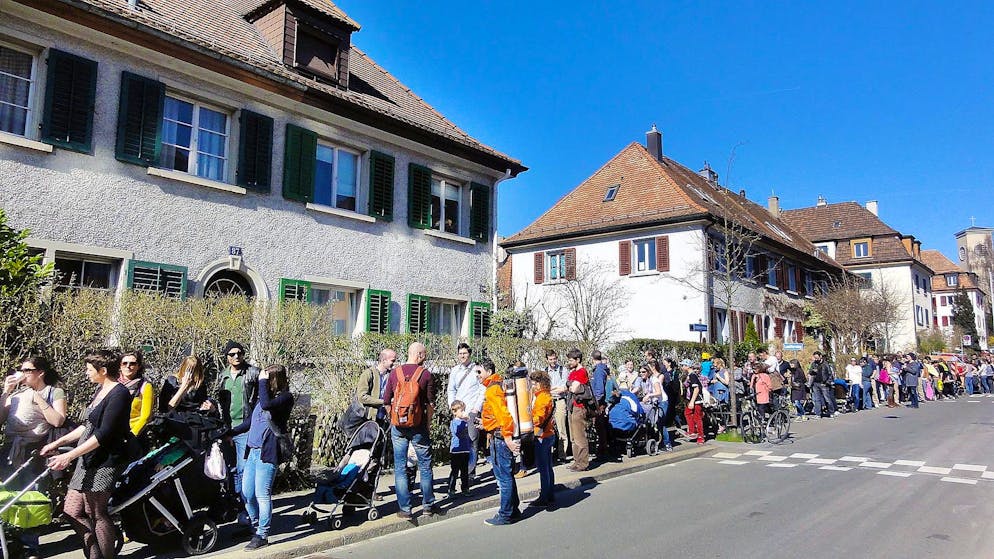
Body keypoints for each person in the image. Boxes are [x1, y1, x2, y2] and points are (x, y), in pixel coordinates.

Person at [43, 349, 132, 559]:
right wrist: (58, 442)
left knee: (97, 512)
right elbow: (88, 426)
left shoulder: (119, 394)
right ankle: (94, 554)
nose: (86, 373)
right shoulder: (100, 390)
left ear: (102, 370)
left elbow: (103, 434)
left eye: (89, 369)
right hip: (87, 458)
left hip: (105, 461)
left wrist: (69, 456)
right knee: (71, 511)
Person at [0, 356, 67, 559]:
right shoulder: (16, 394)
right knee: (7, 497)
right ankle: (9, 541)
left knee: (32, 496)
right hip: (10, 450)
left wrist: (36, 397)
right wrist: (5, 392)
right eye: (21, 369)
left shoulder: (54, 392)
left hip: (35, 451)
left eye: (28, 370)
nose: (23, 373)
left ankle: (30, 546)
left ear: (40, 372)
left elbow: (58, 420)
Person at [230, 364, 294, 550]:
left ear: (273, 379)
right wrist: (230, 432)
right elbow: (251, 421)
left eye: (266, 378)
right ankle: (255, 524)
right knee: (247, 493)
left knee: (262, 494)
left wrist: (262, 381)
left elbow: (266, 405)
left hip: (268, 453)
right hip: (253, 452)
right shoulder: (264, 398)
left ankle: (262, 534)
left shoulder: (285, 398)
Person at [383, 342, 437, 520]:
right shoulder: (425, 375)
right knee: (425, 466)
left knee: (399, 467)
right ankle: (428, 505)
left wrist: (394, 418)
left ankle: (405, 509)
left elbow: (386, 401)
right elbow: (430, 405)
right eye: (425, 354)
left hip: (398, 427)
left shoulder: (394, 373)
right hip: (419, 426)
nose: (425, 357)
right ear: (419, 355)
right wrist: (427, 424)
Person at [218, 340, 260, 508]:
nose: (236, 356)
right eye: (232, 354)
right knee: (231, 469)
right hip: (227, 429)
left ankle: (246, 508)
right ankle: (238, 503)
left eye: (240, 353)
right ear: (227, 357)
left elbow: (260, 400)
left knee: (244, 468)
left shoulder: (253, 373)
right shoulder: (222, 375)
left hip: (245, 428)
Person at [480, 362, 521, 525]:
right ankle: (514, 510)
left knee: (503, 477)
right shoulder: (497, 386)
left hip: (501, 437)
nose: (477, 375)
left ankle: (505, 514)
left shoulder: (493, 390)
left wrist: (509, 439)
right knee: (507, 475)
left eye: (479, 371)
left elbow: (504, 416)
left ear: (489, 371)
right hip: (499, 435)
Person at [447, 343, 484, 479]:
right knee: (458, 439)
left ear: (470, 354)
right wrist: (453, 406)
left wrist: (476, 408)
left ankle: (470, 472)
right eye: (460, 353)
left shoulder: (476, 370)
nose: (462, 356)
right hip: (458, 411)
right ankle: (461, 469)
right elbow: (451, 389)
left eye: (465, 353)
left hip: (471, 410)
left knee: (472, 440)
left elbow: (482, 389)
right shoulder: (455, 370)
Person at [529, 369, 556, 507]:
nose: (533, 386)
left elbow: (538, 418)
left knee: (543, 467)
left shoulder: (542, 398)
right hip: (548, 434)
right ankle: (550, 493)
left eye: (534, 383)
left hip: (542, 436)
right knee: (548, 466)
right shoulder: (546, 395)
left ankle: (544, 496)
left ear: (540, 383)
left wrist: (528, 422)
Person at [565, 348, 591, 472]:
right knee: (573, 437)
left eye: (571, 360)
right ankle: (577, 461)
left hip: (579, 407)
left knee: (580, 436)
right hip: (572, 406)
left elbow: (574, 389)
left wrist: (569, 385)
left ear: (577, 360)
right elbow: (569, 386)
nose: (569, 362)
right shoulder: (573, 372)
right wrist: (569, 385)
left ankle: (583, 463)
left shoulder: (582, 372)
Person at [356, 348, 397, 423]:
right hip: (368, 419)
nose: (394, 364)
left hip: (385, 419)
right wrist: (383, 402)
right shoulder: (368, 374)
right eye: (392, 361)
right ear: (384, 360)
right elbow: (362, 397)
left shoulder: (392, 375)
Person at [120, 350, 153, 435]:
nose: (128, 366)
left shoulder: (145, 386)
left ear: (138, 366)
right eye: (124, 363)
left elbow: (146, 416)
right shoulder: (113, 383)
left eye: (132, 363)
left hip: (132, 432)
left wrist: (132, 434)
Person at [545, 349, 570, 463]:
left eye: (554, 359)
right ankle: (549, 454)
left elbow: (564, 387)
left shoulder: (563, 370)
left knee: (561, 428)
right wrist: (554, 389)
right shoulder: (545, 372)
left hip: (560, 400)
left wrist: (555, 389)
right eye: (550, 359)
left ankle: (562, 454)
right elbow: (545, 388)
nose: (553, 361)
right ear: (547, 360)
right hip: (549, 401)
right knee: (548, 428)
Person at [640, 361, 672, 451]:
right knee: (655, 422)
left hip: (663, 402)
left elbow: (658, 392)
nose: (641, 374)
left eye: (644, 372)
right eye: (640, 372)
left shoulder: (654, 379)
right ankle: (659, 443)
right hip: (656, 402)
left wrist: (649, 395)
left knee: (660, 422)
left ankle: (667, 444)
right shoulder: (648, 380)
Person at [447, 400, 472, 499]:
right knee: (455, 471)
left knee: (464, 471)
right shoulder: (454, 422)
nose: (463, 413)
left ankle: (465, 488)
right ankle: (451, 489)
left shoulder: (464, 422)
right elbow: (457, 433)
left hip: (465, 449)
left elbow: (467, 435)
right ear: (455, 412)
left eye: (463, 410)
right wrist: (465, 422)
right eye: (461, 411)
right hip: (456, 451)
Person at [589, 350, 610, 457]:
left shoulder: (598, 371)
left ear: (592, 359)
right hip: (600, 402)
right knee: (600, 426)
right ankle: (602, 449)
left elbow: (599, 390)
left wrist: (594, 403)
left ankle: (602, 452)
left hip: (599, 403)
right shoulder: (601, 369)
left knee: (599, 426)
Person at [808, 351, 836, 417]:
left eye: (817, 358)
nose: (816, 359)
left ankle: (831, 412)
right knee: (817, 399)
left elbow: (830, 374)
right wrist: (812, 371)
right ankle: (818, 414)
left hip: (823, 383)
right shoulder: (814, 364)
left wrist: (827, 382)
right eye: (815, 358)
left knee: (827, 399)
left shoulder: (825, 364)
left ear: (820, 356)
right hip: (815, 383)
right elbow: (810, 372)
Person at [684, 363, 705, 445]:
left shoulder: (692, 375)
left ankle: (701, 436)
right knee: (687, 413)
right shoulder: (691, 375)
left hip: (697, 400)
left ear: (687, 366)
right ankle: (692, 431)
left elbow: (696, 389)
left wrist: (692, 401)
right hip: (694, 399)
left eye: (683, 365)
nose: (682, 367)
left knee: (697, 418)